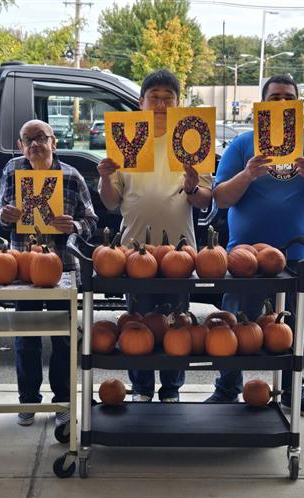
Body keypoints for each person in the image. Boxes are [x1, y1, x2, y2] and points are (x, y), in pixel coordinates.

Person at [206, 74, 304, 418]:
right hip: (245, 256)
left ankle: (290, 391)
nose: (281, 103)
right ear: (262, 105)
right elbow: (220, 199)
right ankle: (227, 388)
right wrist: (248, 174)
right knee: (235, 323)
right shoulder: (242, 145)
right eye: (275, 97)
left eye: (288, 97)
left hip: (298, 255)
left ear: (297, 104)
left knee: (290, 329)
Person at [98, 69, 213, 403]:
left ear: (178, 103)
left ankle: (171, 390)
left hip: (181, 252)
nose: (161, 104)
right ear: (140, 102)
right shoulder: (126, 139)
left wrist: (193, 187)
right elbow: (110, 201)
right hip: (133, 254)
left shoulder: (191, 138)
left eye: (168, 98)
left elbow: (206, 199)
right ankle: (142, 389)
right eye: (155, 97)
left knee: (177, 321)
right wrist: (105, 177)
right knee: (138, 321)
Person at [0, 119, 97, 430]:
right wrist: (4, 214)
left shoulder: (70, 175)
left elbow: (91, 219)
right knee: (26, 337)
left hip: (62, 269)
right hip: (23, 269)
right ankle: (28, 400)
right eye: (28, 139)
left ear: (53, 142)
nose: (35, 144)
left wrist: (75, 227)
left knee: (64, 338)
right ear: (21, 144)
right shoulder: (13, 170)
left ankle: (63, 401)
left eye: (41, 138)